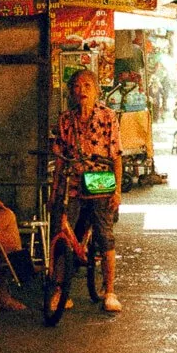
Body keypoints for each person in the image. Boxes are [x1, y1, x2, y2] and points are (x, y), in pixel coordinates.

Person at [51, 69, 123, 312]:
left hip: (101, 179)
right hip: (71, 180)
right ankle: (60, 290)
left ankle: (110, 291)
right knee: (61, 232)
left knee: (105, 235)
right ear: (72, 91)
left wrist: (118, 191)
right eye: (77, 86)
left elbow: (116, 156)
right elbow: (60, 159)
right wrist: (54, 191)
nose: (82, 90)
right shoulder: (65, 119)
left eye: (87, 86)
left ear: (96, 91)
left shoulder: (107, 116)